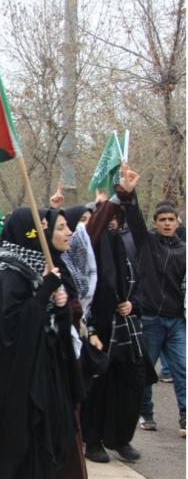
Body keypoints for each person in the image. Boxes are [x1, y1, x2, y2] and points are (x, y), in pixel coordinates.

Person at [0, 207, 96, 479]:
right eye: (43, 225)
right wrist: (44, 292)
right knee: (31, 435)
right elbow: (14, 329)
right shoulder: (11, 274)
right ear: (27, 231)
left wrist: (59, 304)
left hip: (48, 366)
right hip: (25, 375)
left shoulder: (42, 267)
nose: (52, 231)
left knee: (56, 430)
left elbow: (53, 322)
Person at [80, 167, 148, 462]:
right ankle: (93, 440)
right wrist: (114, 199)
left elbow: (144, 280)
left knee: (133, 384)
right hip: (101, 326)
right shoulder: (91, 243)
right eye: (107, 217)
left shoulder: (131, 242)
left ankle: (121, 438)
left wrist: (134, 303)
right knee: (99, 385)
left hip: (129, 327)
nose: (112, 222)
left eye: (116, 218)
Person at [130, 201, 186, 437]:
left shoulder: (184, 250)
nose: (167, 224)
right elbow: (133, 218)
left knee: (182, 369)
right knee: (146, 370)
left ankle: (185, 416)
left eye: (171, 219)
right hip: (151, 318)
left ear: (177, 222)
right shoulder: (147, 243)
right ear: (155, 223)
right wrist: (127, 193)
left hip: (177, 321)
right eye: (162, 220)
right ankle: (146, 413)